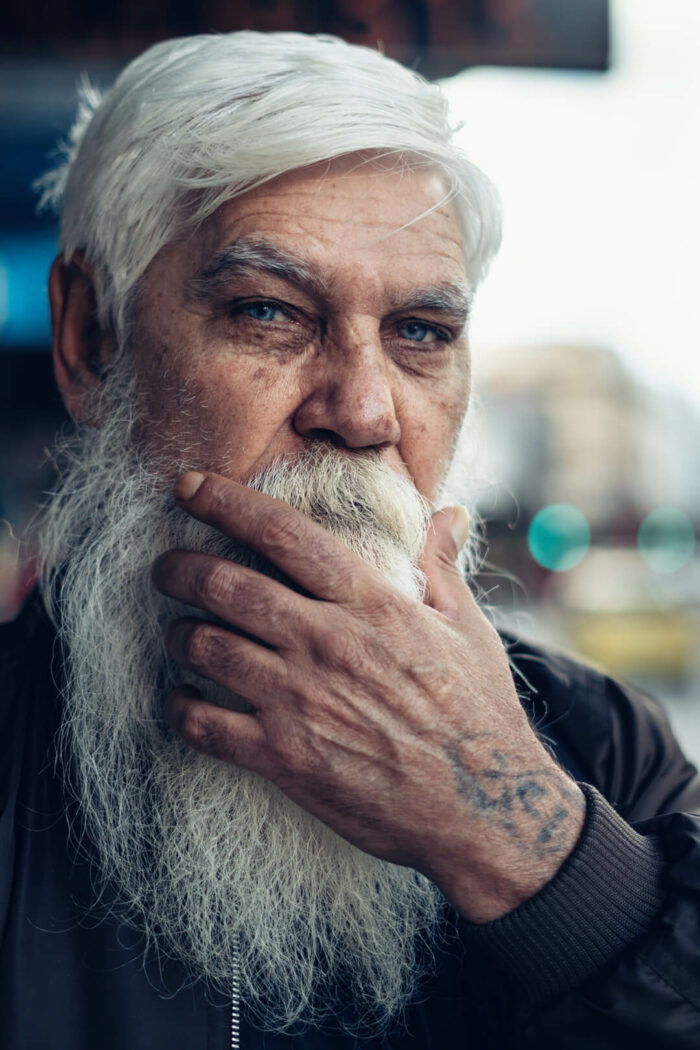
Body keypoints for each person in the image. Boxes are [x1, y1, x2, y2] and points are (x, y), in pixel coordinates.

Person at [2, 30, 699, 1050]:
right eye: (268, 312)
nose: (364, 411)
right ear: (92, 340)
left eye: (420, 332)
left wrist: (513, 835)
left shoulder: (604, 754)